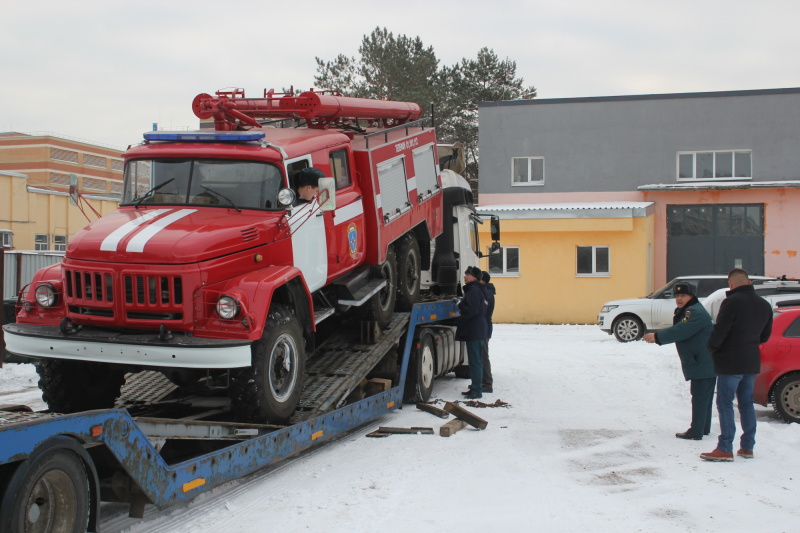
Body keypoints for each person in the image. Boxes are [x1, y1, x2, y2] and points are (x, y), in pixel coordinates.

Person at [701, 268, 773, 462]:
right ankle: (747, 447)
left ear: (731, 284)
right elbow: (765, 336)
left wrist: (712, 348)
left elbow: (720, 331)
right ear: (749, 282)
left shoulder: (731, 302)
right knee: (746, 403)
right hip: (751, 362)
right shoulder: (764, 305)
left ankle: (725, 447)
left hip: (730, 363)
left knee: (725, 403)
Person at [643, 283, 716, 440]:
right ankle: (703, 428)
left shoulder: (694, 312)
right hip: (704, 361)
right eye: (677, 296)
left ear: (691, 296)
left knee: (700, 396)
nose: (679, 299)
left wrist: (657, 337)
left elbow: (681, 330)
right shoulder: (691, 310)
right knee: (704, 397)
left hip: (702, 361)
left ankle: (696, 431)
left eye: (683, 296)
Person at [455, 266, 488, 399]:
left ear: (474, 277)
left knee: (474, 361)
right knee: (476, 361)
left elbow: (471, 310)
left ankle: (476, 390)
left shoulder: (474, 290)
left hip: (474, 330)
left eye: (467, 274)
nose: (465, 277)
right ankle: (475, 388)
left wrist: (460, 304)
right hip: (477, 329)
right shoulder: (479, 290)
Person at [479, 270, 496, 393]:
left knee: (483, 355)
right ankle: (483, 381)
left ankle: (487, 383)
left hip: (484, 327)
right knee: (481, 355)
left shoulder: (487, 293)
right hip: (485, 326)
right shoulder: (488, 291)